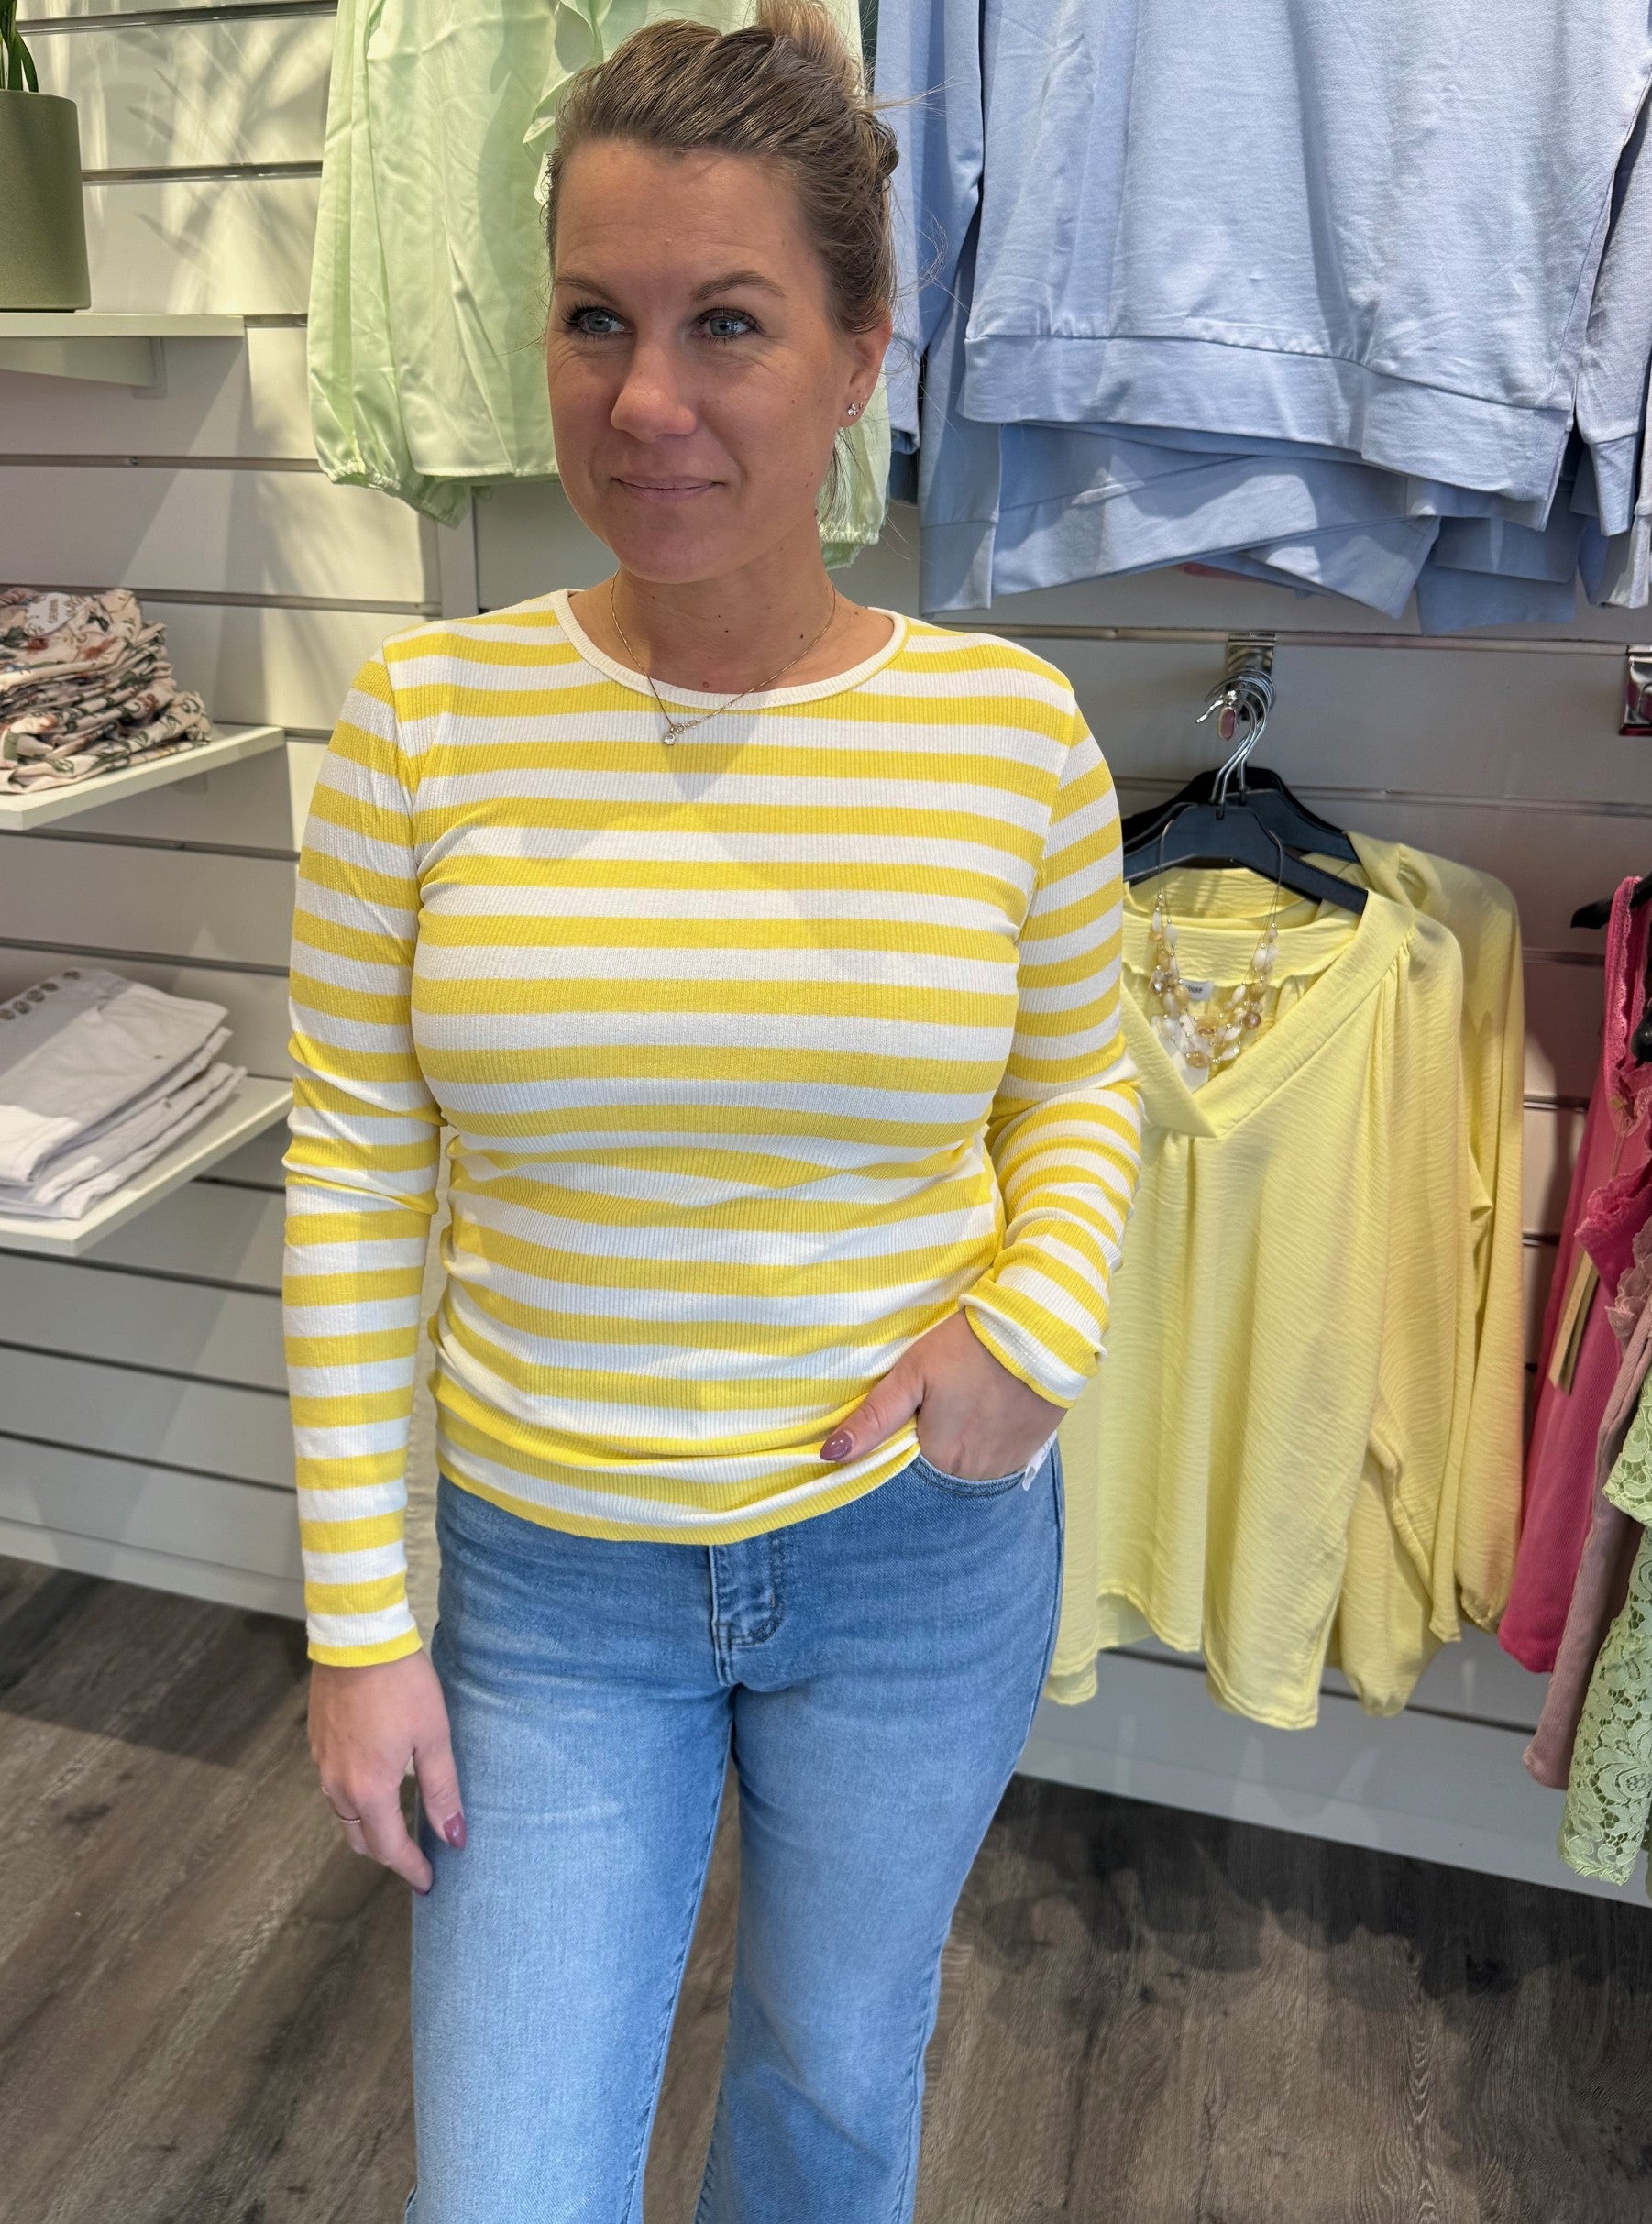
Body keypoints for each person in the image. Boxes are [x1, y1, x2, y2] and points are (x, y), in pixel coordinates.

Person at [284, 6, 1141, 2217]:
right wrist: (359, 1623)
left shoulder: (1007, 738)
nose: (646, 399)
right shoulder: (422, 725)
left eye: (728, 323)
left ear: (859, 356)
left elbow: (1078, 1090)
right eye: (596, 318)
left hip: (912, 1563)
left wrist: (1029, 1338)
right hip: (544, 1584)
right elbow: (355, 1176)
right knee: (508, 2179)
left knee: (836, 2092)